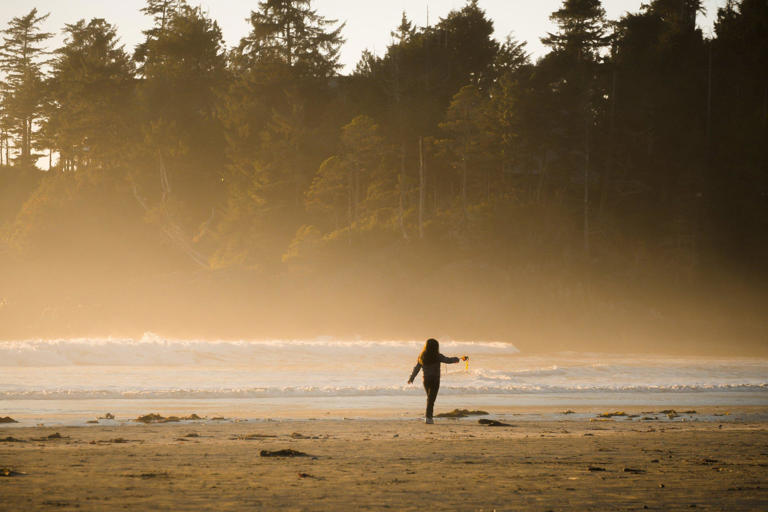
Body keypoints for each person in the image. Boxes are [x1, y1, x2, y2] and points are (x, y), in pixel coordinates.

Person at [407, 338, 468, 424]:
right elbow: (449, 360)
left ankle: (428, 417)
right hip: (435, 380)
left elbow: (417, 368)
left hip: (426, 380)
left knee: (430, 398)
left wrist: (411, 378)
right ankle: (428, 418)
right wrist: (460, 359)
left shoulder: (422, 356)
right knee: (431, 399)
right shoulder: (438, 356)